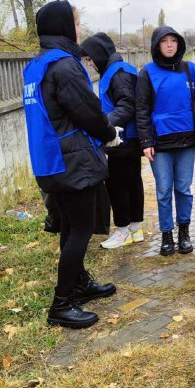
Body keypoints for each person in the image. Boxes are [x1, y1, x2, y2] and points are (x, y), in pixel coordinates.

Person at [22, 0, 120, 329]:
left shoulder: (35, 65)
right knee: (80, 230)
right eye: (76, 23)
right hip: (72, 160)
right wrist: (109, 134)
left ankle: (80, 284)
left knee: (68, 227)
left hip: (48, 159)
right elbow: (88, 110)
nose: (79, 30)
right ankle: (61, 304)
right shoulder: (64, 65)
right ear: (64, 26)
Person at [136, 26, 195, 256]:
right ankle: (166, 235)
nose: (169, 45)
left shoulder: (191, 71)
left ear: (179, 44)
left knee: (184, 189)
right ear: (156, 45)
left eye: (173, 41)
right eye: (164, 41)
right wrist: (146, 140)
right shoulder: (146, 73)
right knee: (163, 190)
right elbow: (141, 110)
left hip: (186, 142)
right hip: (160, 145)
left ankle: (184, 232)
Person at [80, 32, 145, 249]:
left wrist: (103, 126)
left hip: (121, 139)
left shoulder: (118, 74)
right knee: (132, 182)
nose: (89, 63)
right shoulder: (120, 69)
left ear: (99, 54)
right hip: (129, 138)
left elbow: (127, 105)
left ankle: (123, 229)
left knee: (118, 185)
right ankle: (136, 228)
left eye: (90, 58)